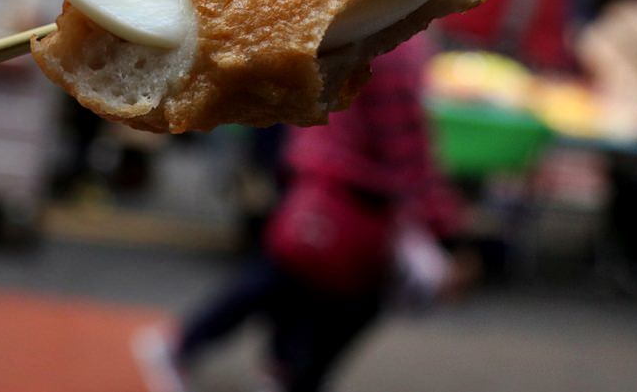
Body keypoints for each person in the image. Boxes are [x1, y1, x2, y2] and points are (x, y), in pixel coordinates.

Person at [137, 36, 473, 392]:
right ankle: (205, 352)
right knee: (314, 289)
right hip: (345, 195)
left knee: (284, 279)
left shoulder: (366, 23)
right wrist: (448, 232)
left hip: (314, 175)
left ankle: (244, 359)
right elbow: (408, 150)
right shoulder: (399, 46)